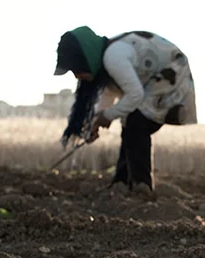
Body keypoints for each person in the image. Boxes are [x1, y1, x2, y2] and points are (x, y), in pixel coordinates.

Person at [54, 26, 197, 195]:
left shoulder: (113, 57)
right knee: (130, 123)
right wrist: (97, 121)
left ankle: (141, 186)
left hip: (171, 75)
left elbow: (136, 95)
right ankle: (122, 182)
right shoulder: (107, 58)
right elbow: (108, 94)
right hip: (155, 81)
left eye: (76, 70)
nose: (77, 77)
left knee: (136, 124)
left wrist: (107, 116)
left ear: (85, 60)